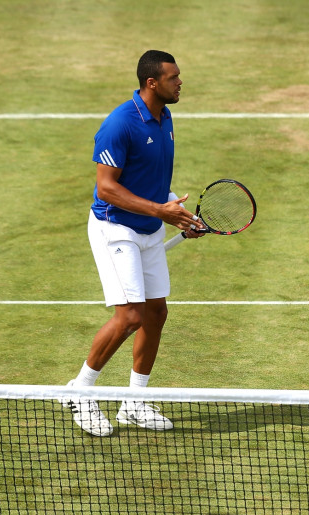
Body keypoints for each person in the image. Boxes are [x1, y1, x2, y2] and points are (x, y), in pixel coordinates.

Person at [59, 50, 206, 436]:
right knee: (130, 317)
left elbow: (152, 178)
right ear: (151, 83)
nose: (180, 83)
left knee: (156, 313)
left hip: (150, 225)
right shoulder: (119, 124)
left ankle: (134, 402)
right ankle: (80, 392)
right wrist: (162, 211)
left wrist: (180, 213)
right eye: (173, 78)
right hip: (115, 229)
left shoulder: (166, 117)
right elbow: (106, 189)